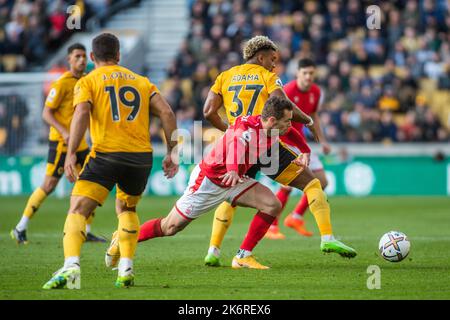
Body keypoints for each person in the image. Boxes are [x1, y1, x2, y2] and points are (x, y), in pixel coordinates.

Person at [199, 35, 356, 267]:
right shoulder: (267, 76)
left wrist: (230, 129)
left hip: (239, 145)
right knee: (312, 184)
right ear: (260, 57)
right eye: (272, 59)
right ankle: (327, 238)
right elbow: (283, 105)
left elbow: (207, 111)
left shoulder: (225, 76)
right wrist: (309, 122)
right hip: (264, 145)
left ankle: (213, 250)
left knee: (229, 196)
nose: (274, 64)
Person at [106, 96, 312, 270]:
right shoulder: (246, 127)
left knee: (272, 204)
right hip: (210, 180)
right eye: (286, 121)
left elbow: (292, 132)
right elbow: (234, 145)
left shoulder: (274, 128)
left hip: (235, 181)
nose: (290, 125)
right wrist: (232, 169)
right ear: (273, 120)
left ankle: (242, 256)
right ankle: (122, 236)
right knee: (170, 227)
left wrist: (305, 150)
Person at [42, 33, 178, 289]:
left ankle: (71, 267)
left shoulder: (88, 80)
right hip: (140, 158)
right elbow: (167, 112)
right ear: (118, 55)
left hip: (106, 154)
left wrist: (71, 152)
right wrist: (172, 152)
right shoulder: (141, 81)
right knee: (126, 209)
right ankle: (125, 269)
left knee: (78, 209)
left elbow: (82, 112)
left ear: (93, 57)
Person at [10, 43, 105, 245]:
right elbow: (46, 112)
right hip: (62, 143)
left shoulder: (87, 81)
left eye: (83, 56)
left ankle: (86, 230)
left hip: (80, 144)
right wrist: (64, 131)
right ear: (69, 59)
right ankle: (20, 227)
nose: (81, 60)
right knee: (49, 184)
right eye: (76, 56)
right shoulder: (62, 83)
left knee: (90, 182)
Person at [265, 58, 331, 239]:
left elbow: (314, 116)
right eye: (305, 73)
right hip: (285, 141)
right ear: (298, 73)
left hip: (301, 142)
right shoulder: (286, 91)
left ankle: (295, 217)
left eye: (311, 73)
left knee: (323, 182)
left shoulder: (316, 92)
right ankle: (272, 226)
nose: (308, 77)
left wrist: (322, 140)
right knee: (287, 186)